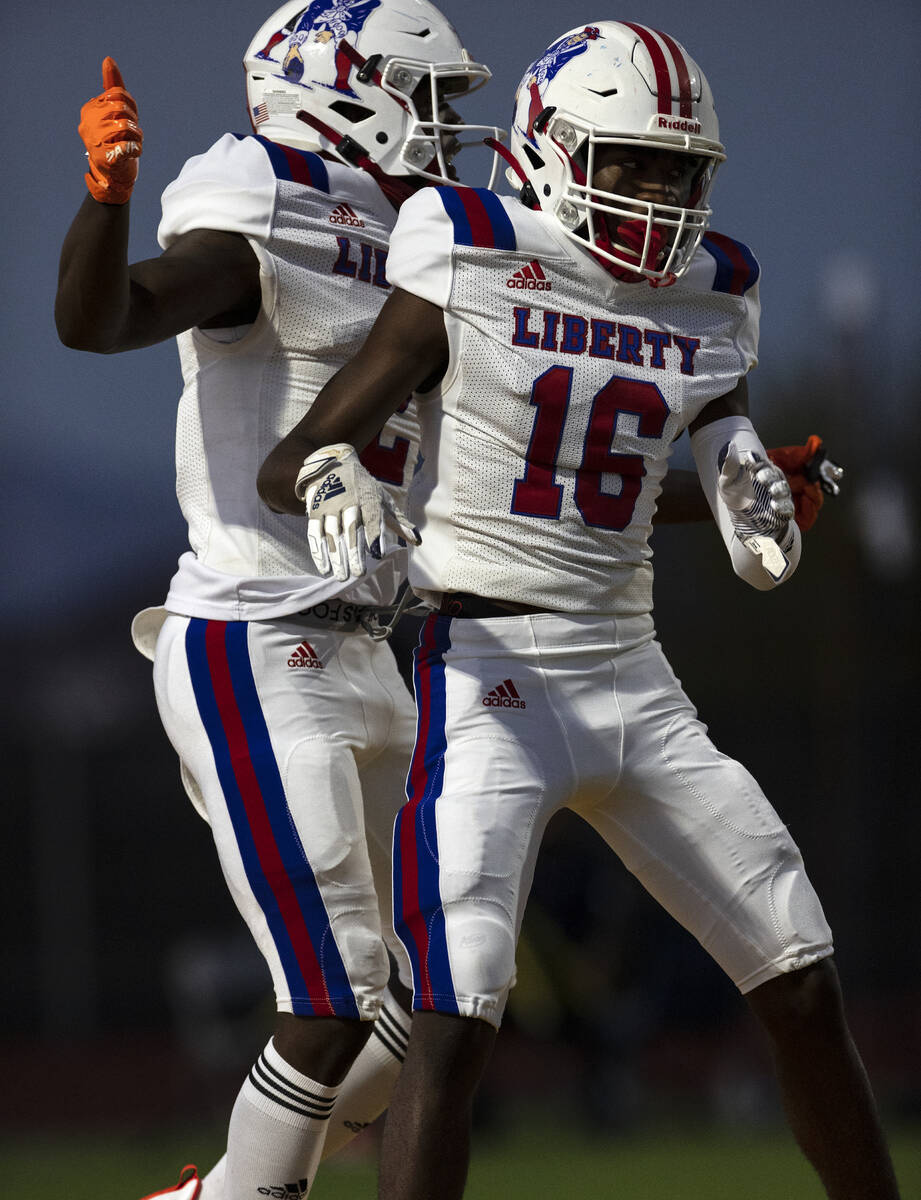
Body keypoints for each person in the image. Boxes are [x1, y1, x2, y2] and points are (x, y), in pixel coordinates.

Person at [257, 19, 900, 1200]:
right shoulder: (471, 246)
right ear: (551, 148)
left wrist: (751, 481)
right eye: (634, 164)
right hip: (485, 671)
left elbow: (672, 470)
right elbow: (293, 454)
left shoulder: (711, 297)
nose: (660, 195)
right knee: (457, 1017)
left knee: (800, 969)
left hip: (634, 673)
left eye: (679, 171)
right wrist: (332, 470)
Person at [54, 3, 503, 1199]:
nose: (449, 125)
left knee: (435, 994)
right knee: (340, 993)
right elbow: (108, 319)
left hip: (374, 643)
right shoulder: (266, 195)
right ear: (342, 89)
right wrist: (104, 202)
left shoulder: (426, 234)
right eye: (428, 95)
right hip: (256, 634)